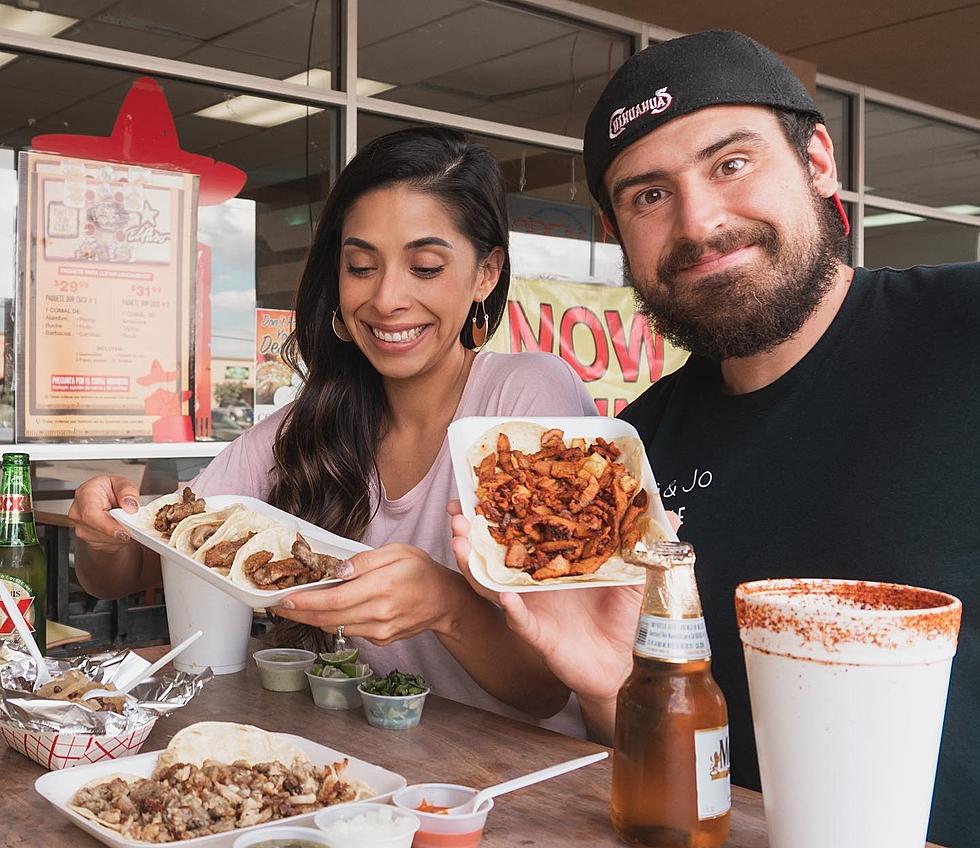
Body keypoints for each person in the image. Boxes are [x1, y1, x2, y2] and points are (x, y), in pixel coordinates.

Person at [572, 29, 975, 848]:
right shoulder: (630, 454)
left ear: (819, 161)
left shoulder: (965, 329)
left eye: (731, 163)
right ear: (615, 234)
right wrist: (609, 683)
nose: (701, 221)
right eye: (649, 195)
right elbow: (677, 774)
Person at [70, 127, 598, 734]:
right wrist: (104, 537)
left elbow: (548, 690)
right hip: (365, 774)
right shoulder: (311, 425)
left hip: (525, 791)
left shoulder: (527, 400)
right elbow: (139, 566)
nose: (387, 298)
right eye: (361, 266)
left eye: (425, 267)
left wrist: (446, 606)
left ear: (485, 274)